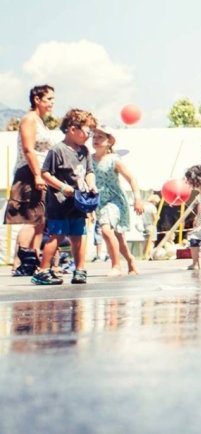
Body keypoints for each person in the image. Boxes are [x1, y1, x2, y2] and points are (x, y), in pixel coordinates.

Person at [33, 109, 98, 285]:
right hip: (60, 202)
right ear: (72, 129)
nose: (89, 136)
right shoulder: (58, 150)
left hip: (78, 201)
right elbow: (45, 173)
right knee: (57, 235)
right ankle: (43, 270)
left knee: (78, 234)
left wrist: (91, 184)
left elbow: (89, 172)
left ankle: (80, 269)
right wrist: (62, 187)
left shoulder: (84, 151)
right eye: (87, 131)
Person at [5, 84, 55, 277]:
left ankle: (32, 261)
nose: (52, 103)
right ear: (37, 99)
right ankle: (20, 263)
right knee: (32, 219)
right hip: (29, 172)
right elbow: (28, 149)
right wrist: (36, 174)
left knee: (41, 220)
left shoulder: (41, 121)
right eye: (49, 99)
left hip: (42, 173)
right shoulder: (29, 119)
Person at [90, 125, 144, 276]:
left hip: (115, 200)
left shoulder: (114, 160)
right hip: (99, 202)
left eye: (100, 137)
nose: (96, 140)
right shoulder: (89, 160)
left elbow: (131, 178)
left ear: (109, 142)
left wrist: (137, 199)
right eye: (94, 137)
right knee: (118, 238)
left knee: (106, 231)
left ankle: (116, 266)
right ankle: (130, 259)